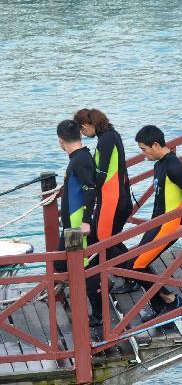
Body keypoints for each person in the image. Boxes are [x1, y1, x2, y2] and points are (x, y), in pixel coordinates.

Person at [111, 125, 182, 317]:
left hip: (169, 225)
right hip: (156, 223)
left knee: (137, 266)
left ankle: (171, 299)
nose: (143, 154)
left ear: (156, 145)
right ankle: (160, 307)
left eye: (144, 149)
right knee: (137, 262)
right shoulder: (159, 164)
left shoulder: (173, 166)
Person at [56, 119, 104, 330]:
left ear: (60, 141)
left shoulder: (81, 160)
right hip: (71, 223)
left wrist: (86, 221)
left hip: (77, 225)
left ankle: (98, 314)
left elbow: (90, 189)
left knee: (83, 267)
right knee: (61, 263)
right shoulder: (78, 157)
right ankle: (85, 297)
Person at [73, 109, 132, 243]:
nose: (84, 135)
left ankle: (129, 264)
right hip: (120, 198)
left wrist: (89, 188)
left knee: (102, 242)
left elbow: (102, 174)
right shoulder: (112, 135)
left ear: (84, 126)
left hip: (111, 200)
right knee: (106, 241)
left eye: (82, 132)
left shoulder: (106, 139)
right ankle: (125, 263)